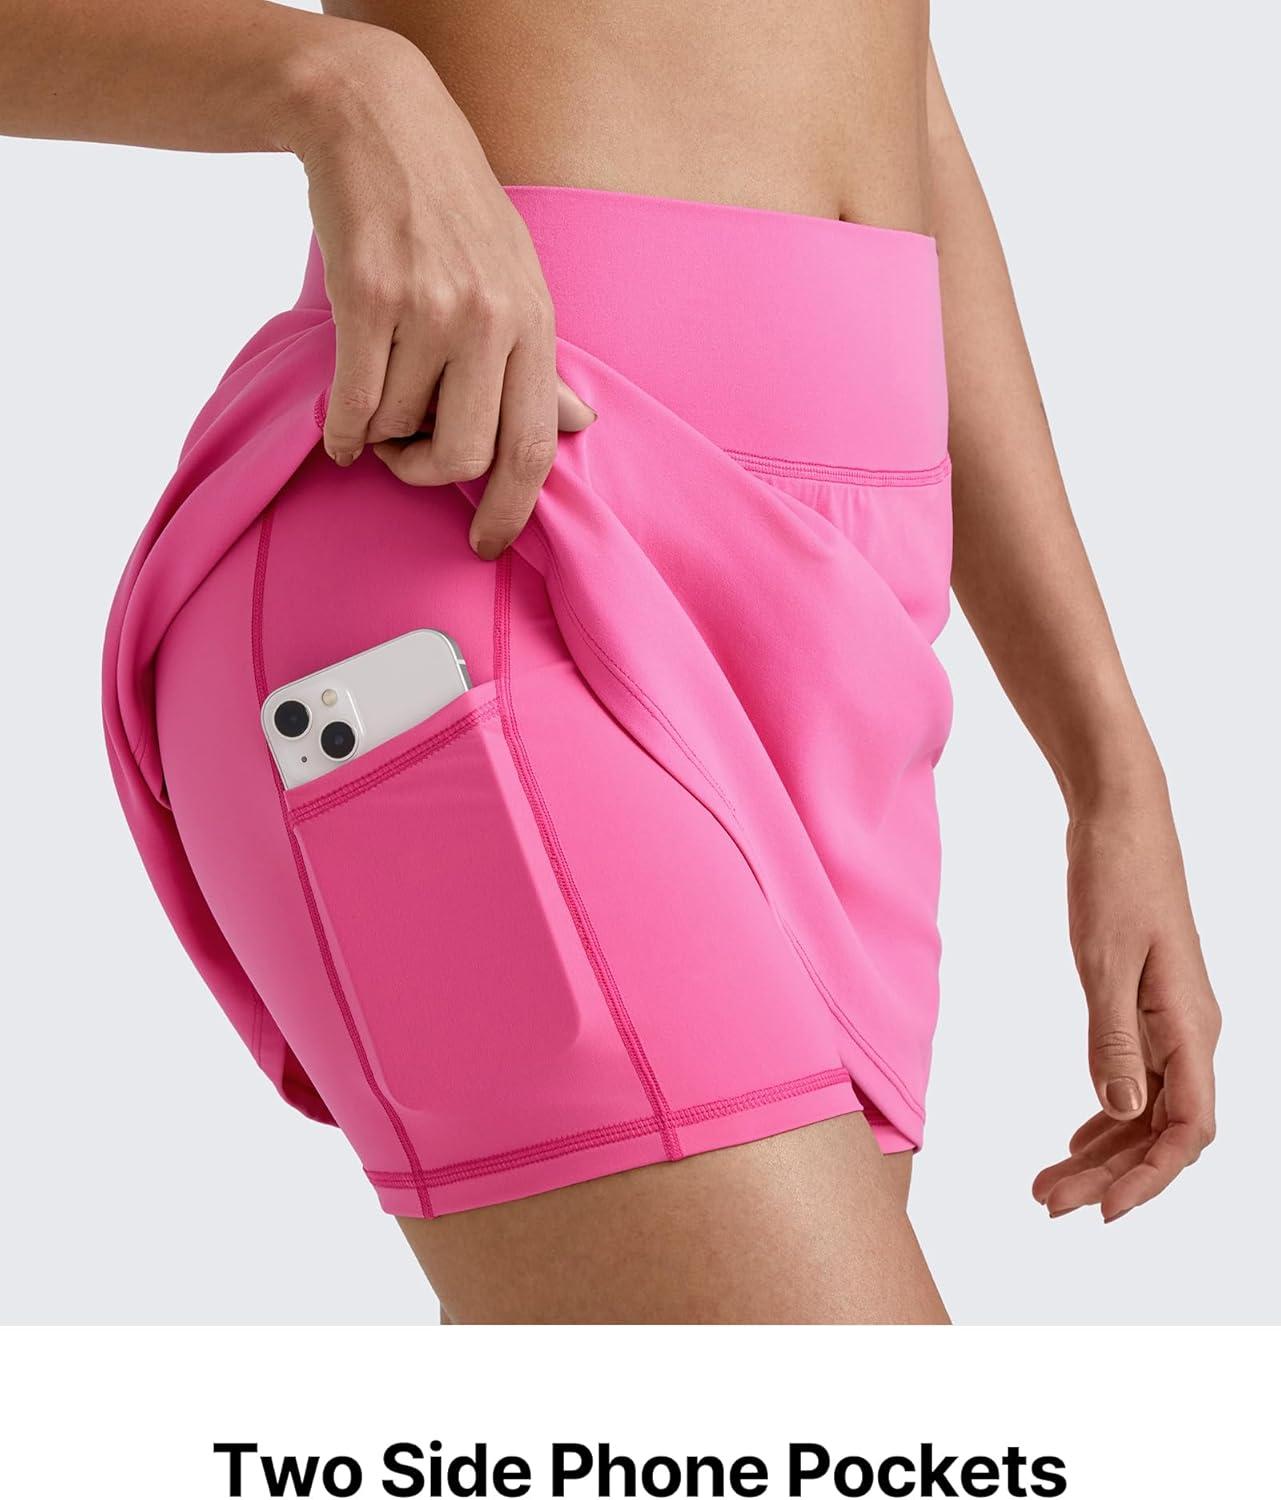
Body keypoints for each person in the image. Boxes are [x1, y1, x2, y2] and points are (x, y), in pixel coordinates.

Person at [5, 0, 1220, 1324]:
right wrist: (333, 83)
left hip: (850, 625)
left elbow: (900, 95)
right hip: (489, 506)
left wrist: (1110, 773)